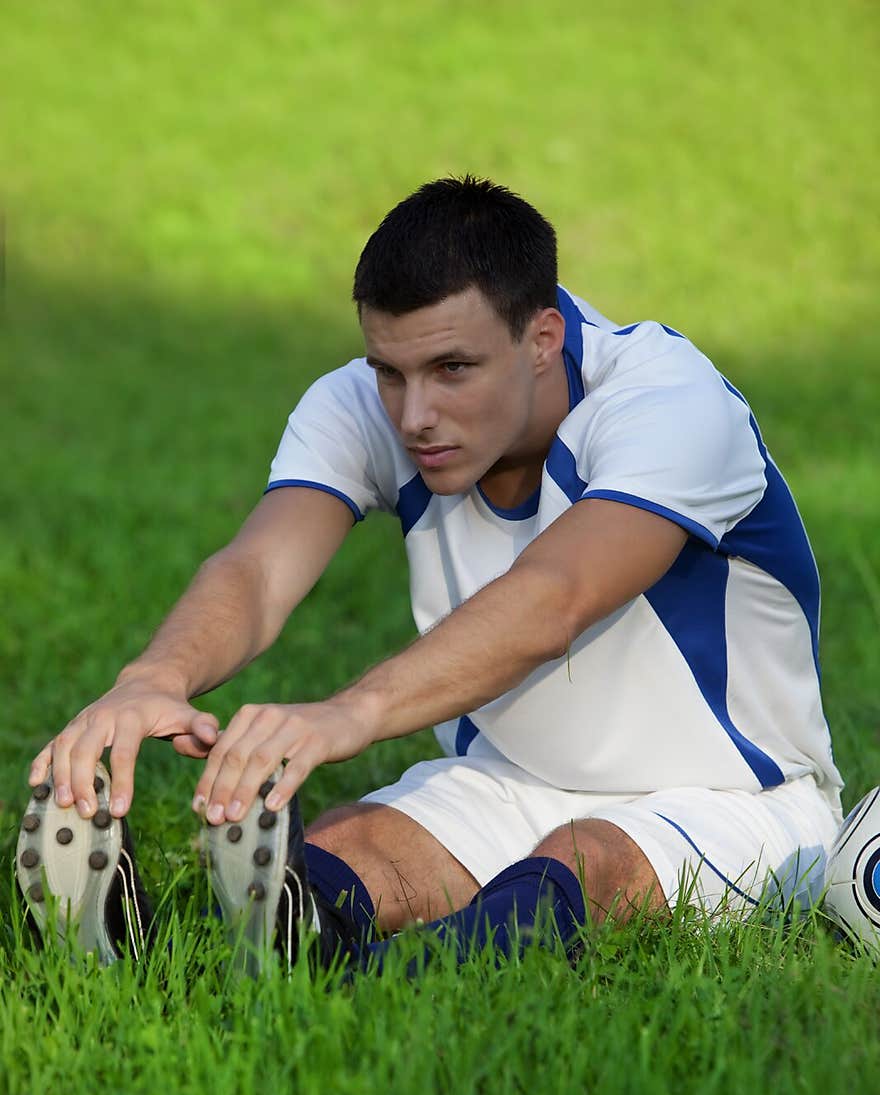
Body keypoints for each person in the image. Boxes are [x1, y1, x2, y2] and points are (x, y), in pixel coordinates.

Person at [17, 174, 844, 974]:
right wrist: (151, 677)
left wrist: (348, 715)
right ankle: (155, 957)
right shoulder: (364, 401)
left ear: (543, 338)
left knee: (585, 865)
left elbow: (556, 598)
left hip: (739, 799)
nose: (414, 414)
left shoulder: (671, 401)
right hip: (509, 780)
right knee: (344, 849)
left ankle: (346, 985)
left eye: (453, 368)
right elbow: (259, 569)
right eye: (389, 370)